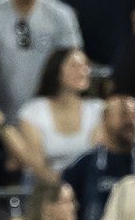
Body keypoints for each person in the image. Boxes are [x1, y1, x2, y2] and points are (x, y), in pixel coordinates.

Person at [12, 47, 102, 185]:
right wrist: (63, 186)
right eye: (74, 66)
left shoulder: (98, 110)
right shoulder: (33, 111)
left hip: (86, 187)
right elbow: (36, 164)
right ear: (57, 71)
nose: (83, 71)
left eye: (85, 66)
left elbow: (97, 159)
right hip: (44, 187)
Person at [61, 93, 135, 220]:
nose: (130, 121)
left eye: (134, 115)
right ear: (105, 118)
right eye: (123, 114)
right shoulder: (84, 165)